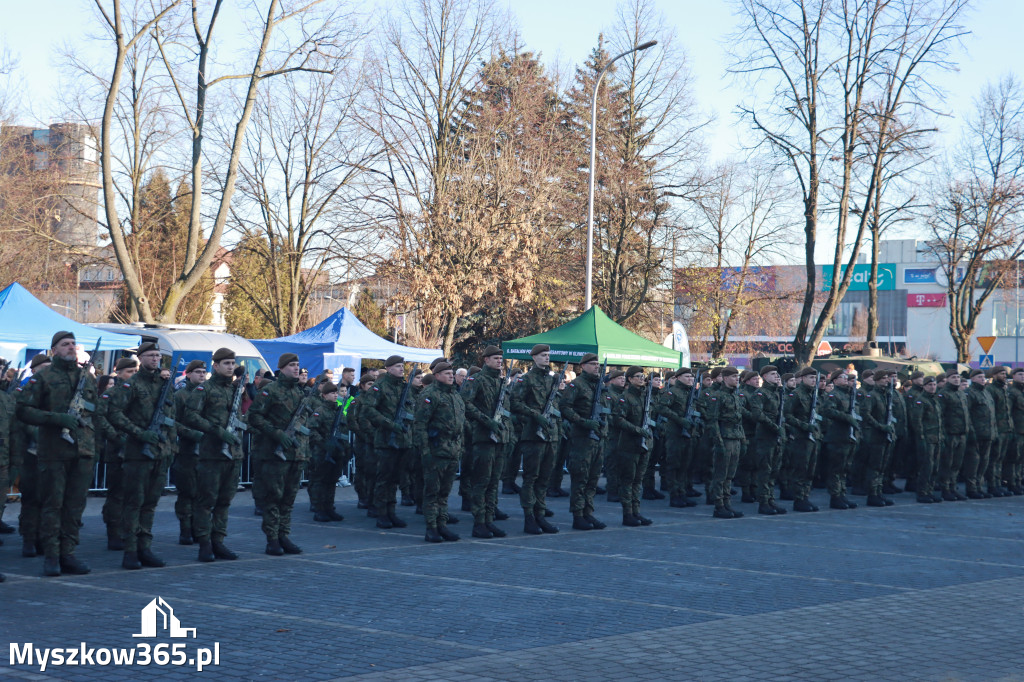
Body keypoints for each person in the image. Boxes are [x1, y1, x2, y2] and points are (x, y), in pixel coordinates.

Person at [16, 331, 97, 576]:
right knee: (53, 504)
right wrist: (55, 419)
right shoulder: (43, 378)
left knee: (75, 506)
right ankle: (51, 555)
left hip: (82, 450)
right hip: (54, 451)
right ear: (54, 350)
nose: (71, 347)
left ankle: (68, 553)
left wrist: (95, 446)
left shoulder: (87, 377)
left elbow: (96, 414)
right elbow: (23, 410)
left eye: (73, 343)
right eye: (65, 344)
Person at [106, 342, 176, 570]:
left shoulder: (164, 384)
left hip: (159, 452)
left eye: (158, 355)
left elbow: (170, 417)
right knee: (134, 503)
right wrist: (139, 433)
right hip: (137, 453)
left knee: (150, 504)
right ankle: (130, 551)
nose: (155, 359)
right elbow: (114, 413)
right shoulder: (132, 385)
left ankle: (144, 547)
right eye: (151, 355)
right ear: (141, 358)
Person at [183, 348, 246, 562]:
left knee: (224, 501)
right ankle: (204, 543)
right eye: (226, 363)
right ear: (216, 366)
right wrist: (215, 430)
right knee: (206, 501)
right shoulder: (205, 389)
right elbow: (190, 415)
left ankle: (218, 541)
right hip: (212, 454)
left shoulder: (235, 390)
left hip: (233, 454)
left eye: (232, 363)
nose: (230, 366)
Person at [247, 352, 311, 555]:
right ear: (282, 367)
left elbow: (304, 418)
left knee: (289, 498)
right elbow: (254, 417)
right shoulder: (271, 390)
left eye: (297, 365)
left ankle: (284, 534)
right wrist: (276, 434)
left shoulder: (300, 392)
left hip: (295, 453)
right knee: (273, 497)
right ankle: (272, 539)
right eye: (292, 365)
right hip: (274, 454)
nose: (296, 368)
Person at [461, 346, 511, 539]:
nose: (500, 361)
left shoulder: (500, 381)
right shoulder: (477, 380)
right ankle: (479, 522)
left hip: (499, 437)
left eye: (501, 358)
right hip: (483, 437)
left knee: (493, 483)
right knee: (481, 482)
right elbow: (465, 403)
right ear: (486, 360)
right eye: (496, 358)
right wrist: (485, 420)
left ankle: (489, 520)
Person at [559, 353, 613, 530]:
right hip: (583, 438)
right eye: (592, 364)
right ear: (582, 366)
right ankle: (578, 515)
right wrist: (582, 422)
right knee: (580, 478)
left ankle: (588, 513)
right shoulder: (577, 385)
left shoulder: (599, 385)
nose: (596, 366)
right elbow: (565, 407)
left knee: (592, 479)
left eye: (597, 364)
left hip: (598, 438)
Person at [510, 344, 560, 535]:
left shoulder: (551, 379)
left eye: (548, 355)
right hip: (532, 435)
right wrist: (535, 415)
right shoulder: (526, 380)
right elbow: (515, 403)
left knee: (544, 479)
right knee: (531, 478)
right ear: (534, 358)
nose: (546, 358)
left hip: (549, 435)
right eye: (542, 355)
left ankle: (540, 515)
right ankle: (529, 517)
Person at [415, 362, 466, 542]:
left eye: (452, 373)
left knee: (444, 492)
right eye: (446, 373)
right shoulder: (429, 395)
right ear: (436, 376)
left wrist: (461, 447)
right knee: (432, 492)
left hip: (452, 451)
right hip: (435, 451)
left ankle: (442, 524)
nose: (451, 376)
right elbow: (420, 425)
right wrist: (425, 451)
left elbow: (461, 424)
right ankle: (431, 527)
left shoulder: (455, 395)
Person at [363, 355, 416, 530]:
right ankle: (382, 513)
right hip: (386, 440)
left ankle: (391, 511)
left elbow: (411, 408)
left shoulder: (404, 387)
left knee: (395, 479)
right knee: (384, 479)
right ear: (389, 368)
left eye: (403, 366)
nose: (402, 369)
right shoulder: (380, 387)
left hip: (402, 440)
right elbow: (368, 410)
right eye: (398, 366)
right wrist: (389, 425)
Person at [14, 353, 50, 558]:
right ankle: (29, 538)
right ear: (35, 370)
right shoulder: (27, 389)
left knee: (48, 499)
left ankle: (42, 538)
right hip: (31, 450)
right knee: (31, 498)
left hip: (52, 451)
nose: (48, 370)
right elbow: (23, 418)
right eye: (44, 366)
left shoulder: (55, 390)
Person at [613, 366, 654, 526]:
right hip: (629, 445)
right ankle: (627, 514)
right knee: (628, 481)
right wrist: (637, 430)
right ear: (629, 379)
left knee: (638, 480)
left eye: (642, 376)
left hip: (643, 445)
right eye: (638, 376)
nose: (641, 378)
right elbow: (619, 420)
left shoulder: (645, 396)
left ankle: (636, 512)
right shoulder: (625, 398)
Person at [173, 359, 208, 545]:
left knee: (202, 493)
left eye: (204, 372)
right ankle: (185, 529)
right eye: (198, 372)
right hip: (187, 450)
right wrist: (191, 434)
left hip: (206, 452)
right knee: (187, 492)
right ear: (189, 374)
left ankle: (198, 528)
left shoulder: (207, 394)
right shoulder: (180, 396)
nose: (202, 375)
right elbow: (172, 421)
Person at [704, 366, 746, 519]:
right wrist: (718, 442)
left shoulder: (735, 396)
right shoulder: (717, 396)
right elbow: (713, 421)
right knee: (720, 475)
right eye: (734, 376)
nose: (737, 379)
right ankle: (719, 505)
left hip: (735, 438)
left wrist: (743, 439)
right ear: (726, 378)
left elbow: (739, 420)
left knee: (730, 475)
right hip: (724, 438)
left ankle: (727, 504)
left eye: (737, 376)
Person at [307, 382, 350, 523]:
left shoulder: (338, 410)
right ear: (324, 395)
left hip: (337, 451)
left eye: (336, 393)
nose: (335, 395)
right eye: (332, 393)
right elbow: (312, 430)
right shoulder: (320, 411)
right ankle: (319, 509)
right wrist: (324, 443)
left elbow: (344, 430)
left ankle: (329, 508)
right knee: (321, 481)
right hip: (322, 452)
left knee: (332, 481)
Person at [749, 365, 788, 515]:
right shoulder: (760, 394)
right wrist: (773, 426)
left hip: (777, 436)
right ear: (764, 377)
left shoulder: (778, 393)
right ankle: (763, 502)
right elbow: (757, 414)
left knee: (774, 470)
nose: (777, 376)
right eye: (772, 374)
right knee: (764, 471)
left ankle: (771, 499)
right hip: (765, 436)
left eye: (777, 374)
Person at [820, 369, 860, 510]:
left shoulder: (850, 395)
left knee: (844, 468)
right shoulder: (833, 394)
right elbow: (828, 411)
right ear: (835, 381)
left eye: (846, 377)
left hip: (848, 436)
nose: (845, 379)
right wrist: (846, 417)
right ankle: (835, 496)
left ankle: (842, 494)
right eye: (842, 377)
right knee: (836, 469)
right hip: (837, 436)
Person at [783, 367, 821, 513]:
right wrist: (804, 426)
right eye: (811, 378)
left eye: (814, 378)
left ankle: (805, 496)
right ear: (803, 378)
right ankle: (799, 499)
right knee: (801, 469)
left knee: (810, 470)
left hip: (813, 437)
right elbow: (788, 415)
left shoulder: (814, 394)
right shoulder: (796, 395)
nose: (814, 380)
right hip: (801, 437)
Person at [909, 376, 944, 503]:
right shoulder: (921, 401)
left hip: (937, 438)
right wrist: (921, 438)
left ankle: (930, 491)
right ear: (924, 386)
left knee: (934, 467)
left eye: (934, 385)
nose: (932, 387)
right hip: (926, 439)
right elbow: (917, 422)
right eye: (929, 385)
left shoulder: (935, 400)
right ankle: (922, 492)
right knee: (926, 467)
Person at [964, 369, 996, 498]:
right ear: (973, 379)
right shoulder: (969, 393)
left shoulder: (986, 393)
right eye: (979, 377)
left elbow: (992, 415)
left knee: (984, 463)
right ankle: (971, 489)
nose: (983, 379)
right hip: (976, 434)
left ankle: (979, 487)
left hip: (988, 434)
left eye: (983, 377)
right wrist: (971, 432)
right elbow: (968, 415)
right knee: (973, 463)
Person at [349, 373, 377, 513]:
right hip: (362, 441)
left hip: (375, 440)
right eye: (369, 384)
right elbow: (352, 420)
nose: (372, 387)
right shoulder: (357, 401)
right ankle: (362, 496)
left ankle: (373, 498)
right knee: (362, 470)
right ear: (362, 386)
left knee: (374, 470)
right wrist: (362, 435)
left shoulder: (376, 400)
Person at [985, 367, 1013, 497]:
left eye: (1005, 374)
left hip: (1006, 428)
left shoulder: (1004, 389)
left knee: (1001, 459)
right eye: (1002, 374)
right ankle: (992, 485)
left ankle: (998, 484)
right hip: (997, 429)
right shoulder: (991, 390)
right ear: (994, 375)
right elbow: (991, 412)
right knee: (994, 459)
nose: (1004, 376)